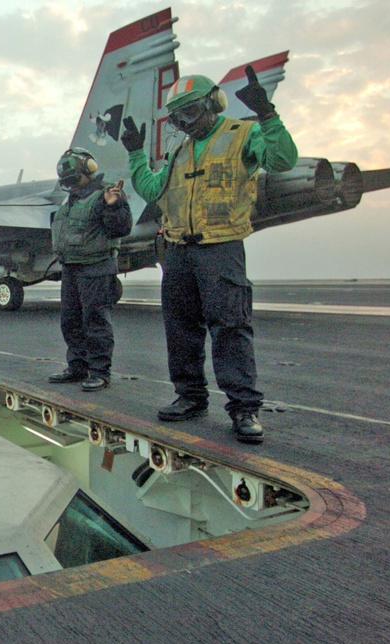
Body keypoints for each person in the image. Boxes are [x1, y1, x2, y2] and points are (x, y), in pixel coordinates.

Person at [121, 66, 297, 444]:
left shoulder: (243, 134)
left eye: (191, 112)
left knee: (230, 327)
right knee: (180, 329)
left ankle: (244, 409)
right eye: (177, 116)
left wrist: (267, 115)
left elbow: (282, 161)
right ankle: (189, 396)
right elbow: (153, 190)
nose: (185, 123)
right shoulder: (179, 150)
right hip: (179, 251)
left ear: (213, 104)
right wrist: (136, 153)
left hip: (221, 248)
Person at [47, 149, 132, 391]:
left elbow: (122, 228)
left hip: (96, 267)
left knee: (95, 321)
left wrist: (113, 207)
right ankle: (77, 367)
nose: (71, 186)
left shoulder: (106, 194)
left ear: (89, 171)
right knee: (70, 321)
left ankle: (99, 372)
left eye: (74, 179)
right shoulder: (71, 199)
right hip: (71, 268)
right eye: (67, 182)